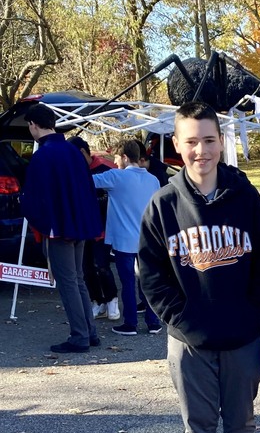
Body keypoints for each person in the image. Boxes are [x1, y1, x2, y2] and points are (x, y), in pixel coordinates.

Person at [138, 101, 260, 433]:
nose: (201, 150)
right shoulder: (162, 205)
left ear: (222, 143)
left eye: (209, 140)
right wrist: (182, 321)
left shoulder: (247, 197)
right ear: (177, 146)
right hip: (189, 340)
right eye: (192, 141)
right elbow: (152, 274)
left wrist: (253, 311)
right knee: (197, 425)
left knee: (241, 422)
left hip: (242, 336)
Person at [20, 104, 103, 353]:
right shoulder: (72, 151)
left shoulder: (43, 155)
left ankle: (80, 337)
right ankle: (90, 332)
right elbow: (87, 188)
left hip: (59, 227)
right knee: (77, 279)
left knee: (68, 281)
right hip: (81, 224)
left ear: (34, 124)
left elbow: (35, 196)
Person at [93, 138, 162, 335]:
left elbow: (87, 181)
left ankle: (130, 323)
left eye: (116, 158)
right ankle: (153, 321)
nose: (115, 162)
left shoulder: (116, 177)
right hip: (149, 239)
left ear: (124, 157)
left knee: (127, 283)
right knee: (148, 281)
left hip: (124, 240)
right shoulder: (153, 179)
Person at [69, 136, 120, 321]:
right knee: (86, 268)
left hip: (104, 227)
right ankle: (97, 301)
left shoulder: (107, 168)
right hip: (82, 228)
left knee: (102, 266)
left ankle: (112, 299)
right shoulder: (73, 171)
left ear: (82, 152)